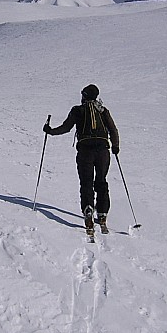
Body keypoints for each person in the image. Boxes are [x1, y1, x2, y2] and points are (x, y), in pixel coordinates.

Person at [43, 84, 119, 233]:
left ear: (84, 95)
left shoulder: (77, 110)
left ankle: (88, 209)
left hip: (85, 151)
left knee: (86, 182)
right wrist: (115, 146)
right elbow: (113, 129)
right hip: (103, 151)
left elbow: (66, 127)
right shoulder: (103, 111)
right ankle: (102, 214)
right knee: (101, 181)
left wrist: (50, 131)